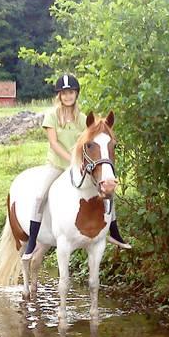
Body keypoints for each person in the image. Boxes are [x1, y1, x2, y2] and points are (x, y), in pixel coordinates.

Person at [22, 73, 131, 260]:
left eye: (71, 92)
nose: (68, 96)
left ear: (76, 94)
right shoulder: (52, 116)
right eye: (64, 93)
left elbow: (92, 141)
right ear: (59, 95)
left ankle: (113, 232)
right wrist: (71, 160)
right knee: (40, 196)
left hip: (80, 168)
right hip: (57, 165)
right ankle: (32, 241)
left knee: (107, 189)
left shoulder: (82, 119)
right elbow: (54, 144)